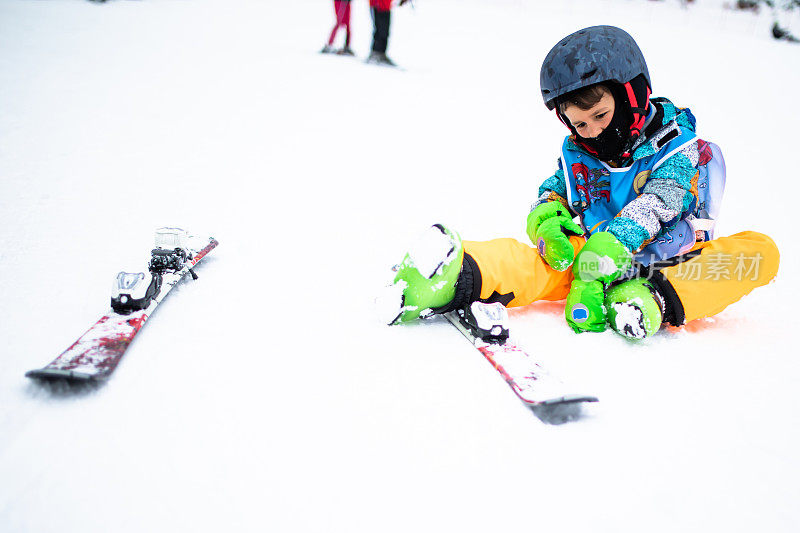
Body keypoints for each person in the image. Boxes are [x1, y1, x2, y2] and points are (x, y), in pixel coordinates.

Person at [385, 25, 780, 339]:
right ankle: (455, 273)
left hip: (667, 262)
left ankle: (646, 299)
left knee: (757, 253)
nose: (591, 132)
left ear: (632, 95)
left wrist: (613, 246)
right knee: (539, 263)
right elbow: (557, 187)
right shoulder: (582, 150)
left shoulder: (679, 148)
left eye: (601, 116)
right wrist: (548, 218)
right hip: (587, 261)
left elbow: (663, 201)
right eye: (579, 124)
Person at [367, 0, 410, 66]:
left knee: (385, 31)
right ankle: (376, 53)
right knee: (380, 30)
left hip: (385, 6)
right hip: (378, 5)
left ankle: (381, 53)